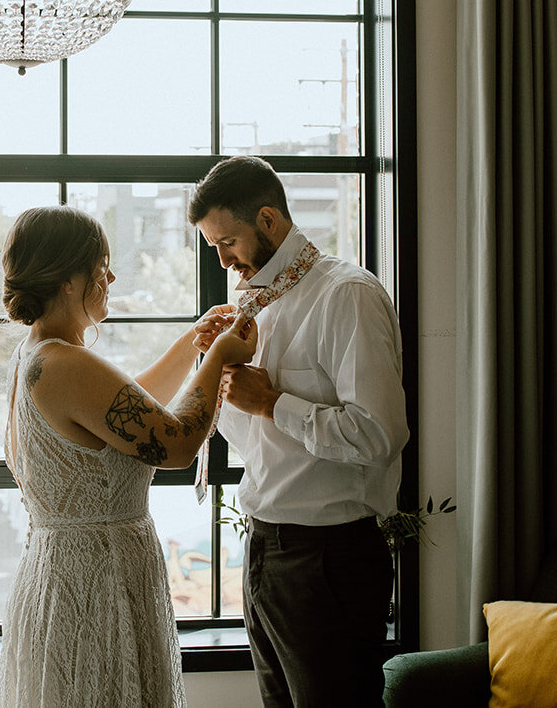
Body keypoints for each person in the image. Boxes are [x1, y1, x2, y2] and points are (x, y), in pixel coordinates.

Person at [0, 205, 257, 708]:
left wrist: (191, 344)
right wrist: (219, 356)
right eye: (101, 266)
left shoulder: (37, 354)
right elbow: (174, 443)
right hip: (96, 586)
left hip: (66, 573)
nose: (111, 277)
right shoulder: (64, 362)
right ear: (69, 279)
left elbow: (127, 411)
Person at [189, 156, 409, 708]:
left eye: (228, 242)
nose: (222, 259)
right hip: (265, 549)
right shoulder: (249, 307)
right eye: (213, 245)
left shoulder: (347, 296)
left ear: (268, 220)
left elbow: (380, 436)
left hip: (328, 559)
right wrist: (213, 369)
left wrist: (273, 402)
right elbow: (255, 445)